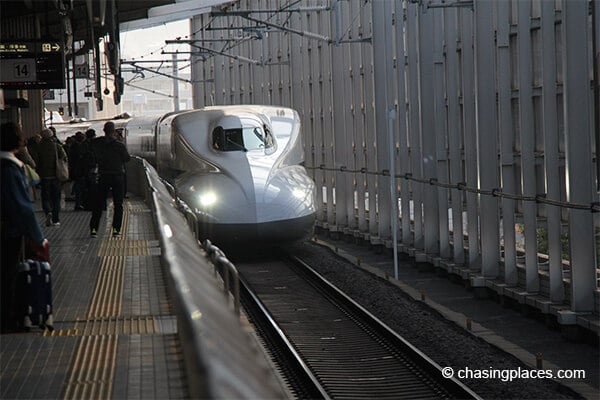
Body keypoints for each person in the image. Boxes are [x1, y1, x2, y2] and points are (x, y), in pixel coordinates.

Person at [1, 122, 47, 333]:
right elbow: (22, 208)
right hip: (7, 233)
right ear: (18, 144)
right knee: (8, 274)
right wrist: (38, 237)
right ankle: (8, 320)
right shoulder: (10, 169)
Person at [89, 121, 130, 238]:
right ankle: (116, 230)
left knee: (99, 203)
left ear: (104, 130)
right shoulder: (119, 145)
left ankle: (94, 230)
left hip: (103, 176)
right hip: (117, 176)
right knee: (118, 204)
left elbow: (92, 151)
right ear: (114, 131)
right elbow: (127, 159)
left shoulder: (97, 143)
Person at [30, 128, 68, 226]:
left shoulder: (39, 147)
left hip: (44, 176)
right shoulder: (57, 146)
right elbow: (64, 158)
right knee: (56, 197)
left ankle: (48, 212)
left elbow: (35, 161)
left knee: (45, 197)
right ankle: (56, 219)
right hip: (56, 175)